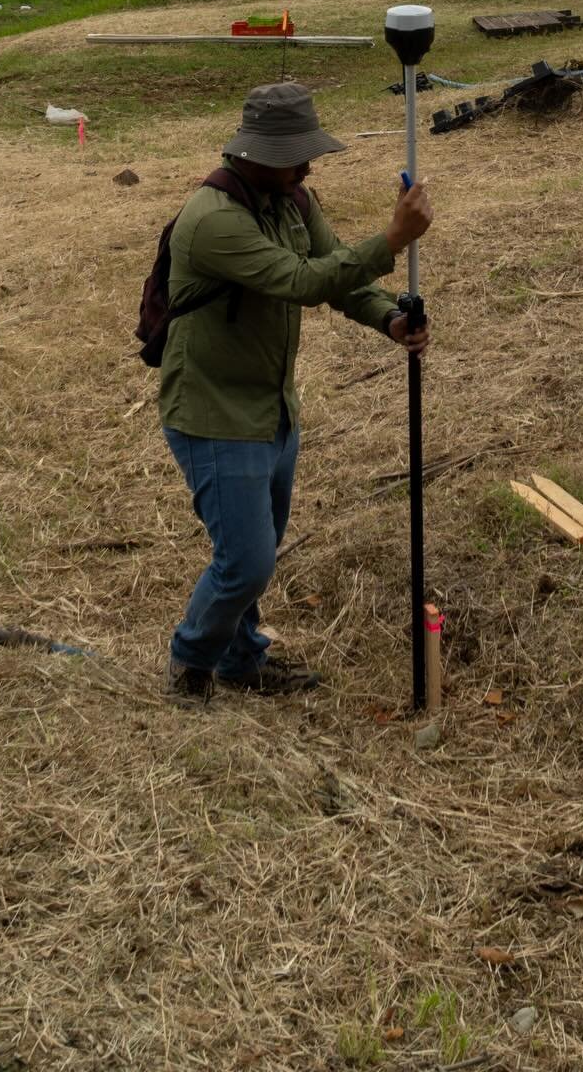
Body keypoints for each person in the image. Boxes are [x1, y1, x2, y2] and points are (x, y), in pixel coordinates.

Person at [159, 81, 432, 703]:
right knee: (246, 562)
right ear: (255, 151)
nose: (308, 165)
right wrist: (391, 240)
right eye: (295, 153)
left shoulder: (291, 199)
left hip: (272, 408)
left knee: (254, 551)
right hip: (215, 415)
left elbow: (338, 273)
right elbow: (303, 281)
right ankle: (190, 661)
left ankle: (240, 658)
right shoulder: (212, 221)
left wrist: (389, 318)